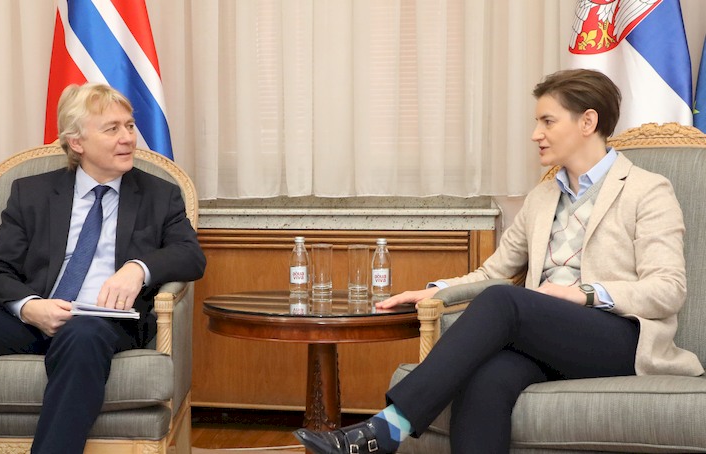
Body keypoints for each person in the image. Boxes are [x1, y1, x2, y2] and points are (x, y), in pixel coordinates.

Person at [294, 69, 704, 454]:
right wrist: (435, 290)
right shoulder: (542, 198)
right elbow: (494, 271)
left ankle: (388, 429)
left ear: (587, 121)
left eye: (547, 121)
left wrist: (583, 294)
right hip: (550, 340)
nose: (536, 134)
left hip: (618, 339)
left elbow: (668, 289)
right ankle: (384, 433)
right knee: (486, 378)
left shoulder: (647, 190)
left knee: (503, 300)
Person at [0, 83, 206, 454]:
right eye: (112, 129)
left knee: (82, 335)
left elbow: (190, 255)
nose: (128, 137)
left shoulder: (159, 194)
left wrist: (137, 268)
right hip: (35, 314)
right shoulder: (31, 192)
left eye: (129, 126)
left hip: (103, 323)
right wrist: (30, 307)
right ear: (76, 142)